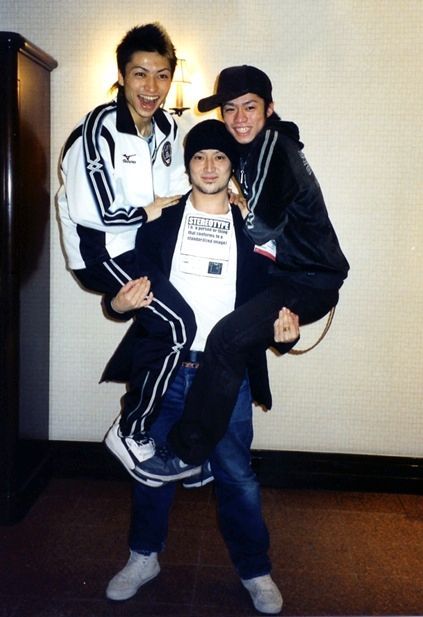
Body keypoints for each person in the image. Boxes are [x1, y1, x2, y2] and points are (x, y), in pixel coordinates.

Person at [104, 119, 299, 615]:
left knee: (237, 475)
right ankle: (143, 558)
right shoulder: (158, 226)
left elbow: (275, 293)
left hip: (225, 370)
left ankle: (255, 570)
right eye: (199, 158)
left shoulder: (253, 228)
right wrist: (119, 306)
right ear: (188, 164)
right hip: (167, 368)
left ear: (232, 167)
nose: (209, 166)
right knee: (152, 470)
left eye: (219, 158)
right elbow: (124, 294)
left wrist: (287, 323)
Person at [134, 64, 350, 484]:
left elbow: (263, 229)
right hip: (296, 277)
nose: (238, 119)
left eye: (249, 107)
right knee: (234, 337)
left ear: (269, 109)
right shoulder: (261, 152)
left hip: (311, 279)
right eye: (230, 109)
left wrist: (242, 206)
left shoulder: (272, 146)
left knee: (226, 339)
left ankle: (188, 452)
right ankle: (196, 452)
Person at [56, 23, 197, 479]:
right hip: (101, 252)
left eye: (161, 76)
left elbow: (176, 187)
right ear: (122, 75)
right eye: (140, 74)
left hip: (136, 249)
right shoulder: (97, 128)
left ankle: (153, 425)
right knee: (179, 325)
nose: (151, 87)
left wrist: (224, 192)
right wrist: (150, 211)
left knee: (171, 321)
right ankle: (130, 429)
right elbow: (93, 210)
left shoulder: (167, 127)